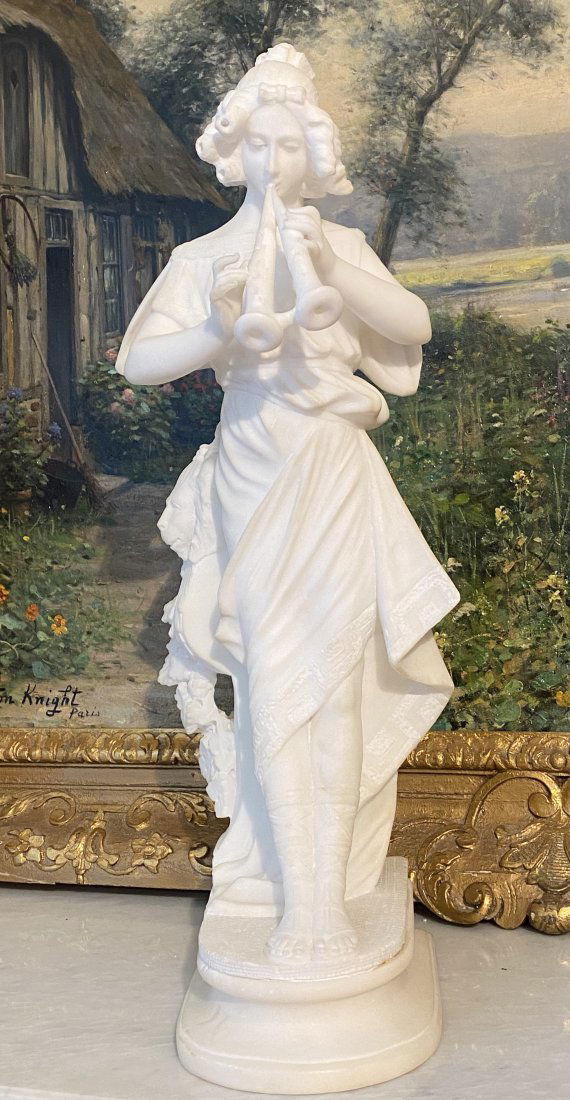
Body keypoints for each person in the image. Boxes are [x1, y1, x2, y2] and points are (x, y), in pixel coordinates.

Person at [115, 43, 460, 962]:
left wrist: (331, 274)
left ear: (314, 156)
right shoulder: (207, 255)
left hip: (333, 472)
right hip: (254, 475)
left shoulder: (339, 248)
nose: (276, 163)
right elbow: (138, 361)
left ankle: (321, 906)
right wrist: (217, 328)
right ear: (238, 153)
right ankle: (292, 887)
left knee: (334, 684)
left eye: (292, 146)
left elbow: (414, 328)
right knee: (273, 681)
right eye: (260, 146)